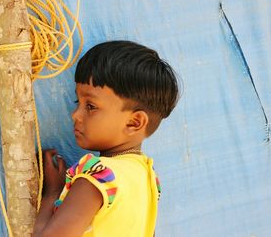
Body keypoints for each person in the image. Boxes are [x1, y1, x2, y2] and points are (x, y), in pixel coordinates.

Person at [33, 41, 180, 237]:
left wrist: (52, 193)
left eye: (90, 106)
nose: (75, 115)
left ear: (134, 122)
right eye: (79, 102)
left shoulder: (98, 175)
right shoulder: (147, 177)